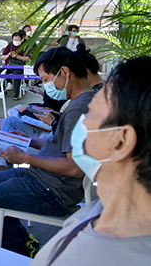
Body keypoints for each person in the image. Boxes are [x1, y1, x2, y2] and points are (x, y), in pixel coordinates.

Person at [0, 47, 94, 257]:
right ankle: (22, 239)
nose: (47, 86)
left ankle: (23, 252)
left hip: (52, 191)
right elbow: (62, 146)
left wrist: (25, 157)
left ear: (65, 72)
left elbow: (74, 168)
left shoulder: (78, 109)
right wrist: (28, 140)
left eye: (46, 79)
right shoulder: (84, 101)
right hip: (43, 178)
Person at [30, 56, 151, 266]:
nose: (82, 121)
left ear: (121, 141)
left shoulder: (99, 256)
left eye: (92, 111)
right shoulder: (104, 209)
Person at [2, 31, 31, 100]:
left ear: (22, 39)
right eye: (14, 40)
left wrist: (18, 56)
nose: (16, 41)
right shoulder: (10, 46)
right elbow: (2, 57)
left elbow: (27, 59)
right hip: (9, 65)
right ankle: (3, 90)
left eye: (18, 40)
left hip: (19, 65)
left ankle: (16, 93)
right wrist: (8, 55)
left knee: (16, 75)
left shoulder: (25, 47)